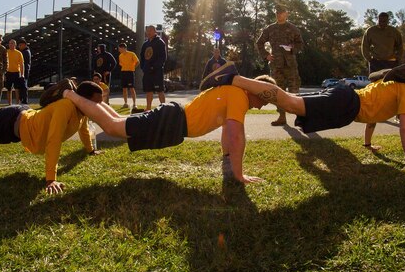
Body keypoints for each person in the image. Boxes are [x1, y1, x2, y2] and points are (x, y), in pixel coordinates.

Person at [43, 74, 275, 183]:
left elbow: (227, 131)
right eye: (265, 97)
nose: (264, 103)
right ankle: (67, 93)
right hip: (173, 120)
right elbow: (235, 135)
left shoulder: (234, 95)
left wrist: (227, 161)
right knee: (114, 128)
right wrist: (238, 174)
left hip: (173, 120)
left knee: (116, 122)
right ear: (256, 89)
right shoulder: (239, 96)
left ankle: (75, 95)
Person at [201, 62, 405, 168]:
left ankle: (235, 79)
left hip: (346, 99)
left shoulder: (393, 88)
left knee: (290, 100)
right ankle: (234, 78)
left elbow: (373, 115)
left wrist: (368, 144)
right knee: (290, 103)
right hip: (346, 103)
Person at [255, 5, 304, 126]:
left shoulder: (293, 28)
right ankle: (282, 117)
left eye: (281, 12)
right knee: (278, 92)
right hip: (276, 65)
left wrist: (292, 48)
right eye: (277, 13)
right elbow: (259, 43)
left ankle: (300, 118)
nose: (279, 14)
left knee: (294, 90)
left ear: (286, 14)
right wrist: (266, 55)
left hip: (290, 65)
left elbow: (300, 44)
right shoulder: (270, 29)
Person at [139, 25, 167, 111]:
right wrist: (143, 67)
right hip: (147, 71)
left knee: (160, 90)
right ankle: (148, 108)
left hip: (157, 71)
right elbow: (142, 57)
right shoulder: (145, 44)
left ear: (155, 31)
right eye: (147, 31)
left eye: (150, 30)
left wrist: (155, 66)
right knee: (148, 90)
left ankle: (163, 108)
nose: (148, 32)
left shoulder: (160, 42)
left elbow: (163, 57)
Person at [118, 42, 139, 109]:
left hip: (130, 73)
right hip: (123, 72)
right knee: (124, 89)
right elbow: (121, 64)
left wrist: (133, 68)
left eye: (120, 49)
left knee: (131, 88)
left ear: (124, 48)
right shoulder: (120, 56)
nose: (119, 50)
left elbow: (138, 62)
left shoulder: (132, 54)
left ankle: (134, 104)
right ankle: (125, 103)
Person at [4, 39, 24, 105]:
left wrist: (22, 74)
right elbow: (3, 63)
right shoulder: (6, 52)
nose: (10, 45)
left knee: (17, 89)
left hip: (16, 72)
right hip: (8, 72)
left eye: (12, 43)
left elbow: (21, 64)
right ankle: (9, 104)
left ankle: (17, 104)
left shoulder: (19, 53)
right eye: (9, 43)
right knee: (9, 89)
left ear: (15, 45)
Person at [17, 38, 32, 104]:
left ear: (24, 45)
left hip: (24, 71)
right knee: (22, 86)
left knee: (24, 86)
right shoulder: (25, 51)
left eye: (20, 45)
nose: (19, 47)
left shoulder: (26, 52)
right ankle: (22, 99)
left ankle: (24, 100)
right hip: (23, 70)